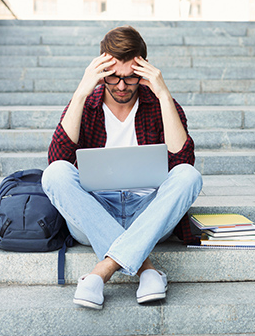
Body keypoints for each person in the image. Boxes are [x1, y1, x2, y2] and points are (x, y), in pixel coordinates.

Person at [41, 26, 203, 310]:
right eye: (113, 76)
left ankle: (100, 273)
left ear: (143, 72)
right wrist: (82, 91)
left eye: (130, 78)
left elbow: (182, 160)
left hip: (148, 212)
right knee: (55, 173)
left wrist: (163, 94)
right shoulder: (88, 104)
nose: (121, 85)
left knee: (189, 177)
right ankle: (147, 270)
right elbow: (58, 158)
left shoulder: (158, 104)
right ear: (101, 70)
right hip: (95, 212)